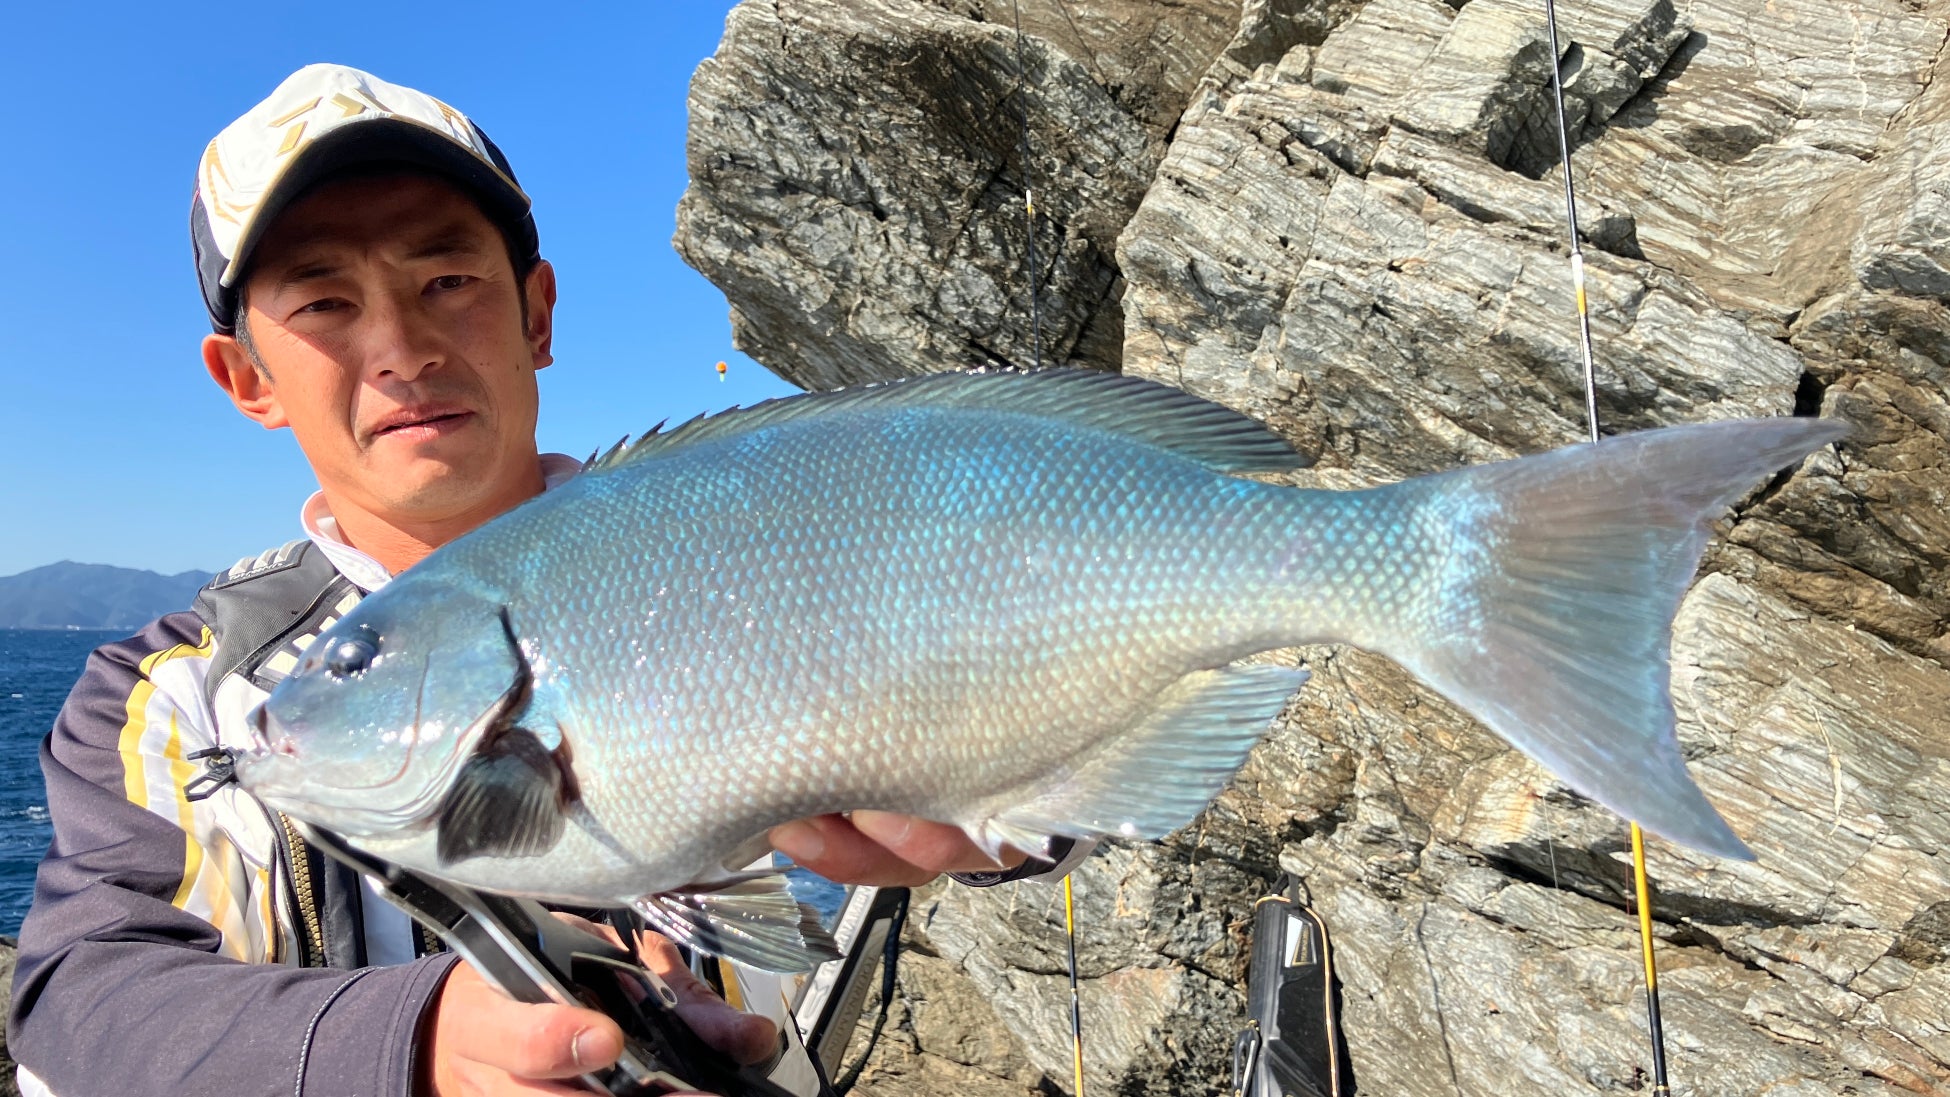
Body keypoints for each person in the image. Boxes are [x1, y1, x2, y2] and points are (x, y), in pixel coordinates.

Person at [7, 63, 1082, 1097]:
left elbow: (1032, 666)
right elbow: (80, 995)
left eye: (446, 281)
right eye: (325, 303)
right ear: (247, 377)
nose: (401, 347)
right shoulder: (172, 692)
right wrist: (418, 1045)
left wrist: (1016, 811)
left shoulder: (737, 542)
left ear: (537, 313)